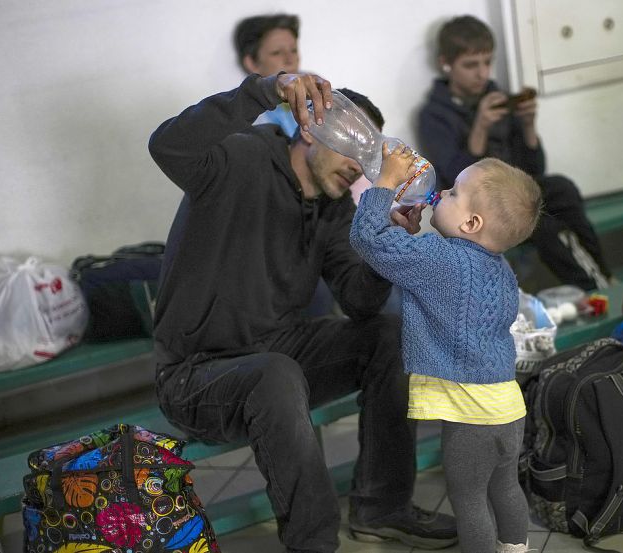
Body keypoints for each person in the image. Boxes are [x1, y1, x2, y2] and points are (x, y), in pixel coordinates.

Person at [148, 72, 458, 552]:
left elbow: (359, 303)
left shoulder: (334, 211)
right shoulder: (240, 158)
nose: (358, 168)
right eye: (350, 150)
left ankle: (382, 509)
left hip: (279, 353)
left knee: (391, 334)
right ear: (313, 130)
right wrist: (265, 89)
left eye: (368, 158)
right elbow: (167, 145)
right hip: (196, 373)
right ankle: (313, 544)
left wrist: (387, 243)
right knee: (275, 375)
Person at [350, 150, 541, 553]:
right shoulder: (498, 267)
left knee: (469, 500)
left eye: (453, 193)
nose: (442, 193)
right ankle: (516, 548)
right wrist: (405, 234)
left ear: (472, 223)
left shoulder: (442, 261)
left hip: (471, 415)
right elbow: (425, 271)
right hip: (507, 406)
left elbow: (368, 240)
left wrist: (383, 184)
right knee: (505, 486)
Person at [418, 15, 611, 291]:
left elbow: (534, 171)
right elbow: (453, 177)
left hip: (512, 195)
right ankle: (592, 287)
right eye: (471, 65)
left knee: (562, 188)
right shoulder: (434, 116)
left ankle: (603, 272)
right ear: (445, 64)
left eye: (487, 62)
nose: (482, 73)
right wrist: (480, 128)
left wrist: (529, 127)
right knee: (540, 224)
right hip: (475, 208)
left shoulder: (499, 98)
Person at [234, 13, 302, 136]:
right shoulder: (244, 119)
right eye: (277, 53)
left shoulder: (316, 89)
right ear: (251, 63)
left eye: (294, 50)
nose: (290, 59)